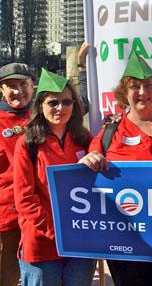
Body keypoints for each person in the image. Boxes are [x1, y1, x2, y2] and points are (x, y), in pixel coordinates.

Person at [79, 52, 152, 286]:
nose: (142, 92)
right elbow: (91, 166)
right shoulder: (111, 131)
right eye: (135, 87)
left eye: (148, 86)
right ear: (125, 93)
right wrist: (87, 162)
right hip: (128, 238)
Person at [13, 69, 96, 286]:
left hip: (81, 243)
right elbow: (25, 200)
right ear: (40, 106)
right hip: (42, 244)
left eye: (67, 102)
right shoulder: (27, 143)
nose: (61, 108)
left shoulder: (84, 138)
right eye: (53, 102)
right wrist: (57, 231)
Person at [0, 63, 35, 286]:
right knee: (6, 276)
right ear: (1, 89)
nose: (18, 91)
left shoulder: (47, 114)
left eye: (23, 84)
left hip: (40, 214)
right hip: (7, 214)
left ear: (33, 86)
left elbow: (82, 103)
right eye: (11, 86)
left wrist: (81, 67)